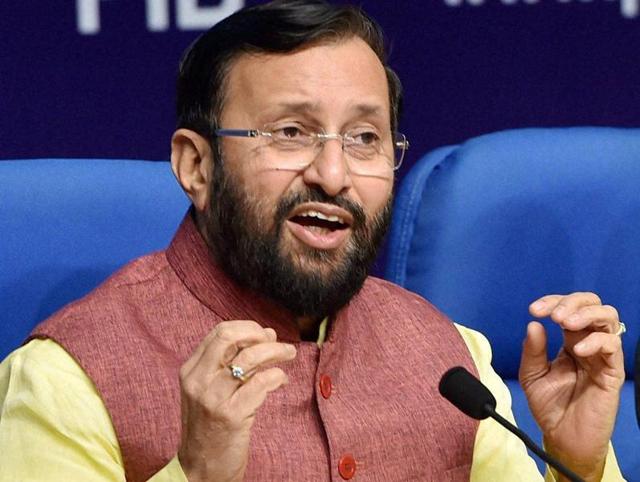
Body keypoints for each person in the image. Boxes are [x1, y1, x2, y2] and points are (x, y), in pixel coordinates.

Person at [0, 1, 626, 481]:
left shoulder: (452, 356)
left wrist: (577, 461)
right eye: (292, 132)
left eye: (364, 139)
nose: (333, 175)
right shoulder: (65, 378)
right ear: (197, 166)